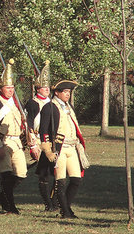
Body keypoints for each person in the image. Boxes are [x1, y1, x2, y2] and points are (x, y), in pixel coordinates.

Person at [39, 80, 89, 218]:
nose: (68, 95)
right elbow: (43, 130)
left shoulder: (69, 107)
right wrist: (47, 149)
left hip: (72, 146)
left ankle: (65, 207)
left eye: (69, 92)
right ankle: (65, 211)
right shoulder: (49, 107)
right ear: (57, 93)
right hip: (58, 147)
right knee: (60, 180)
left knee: (76, 179)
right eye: (65, 92)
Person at [0, 59, 32, 214]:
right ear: (1, 88)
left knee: (21, 173)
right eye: (8, 87)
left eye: (12, 87)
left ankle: (2, 196)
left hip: (16, 141)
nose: (10, 90)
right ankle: (9, 205)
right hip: (4, 141)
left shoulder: (15, 102)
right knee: (6, 174)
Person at [24, 60, 57, 212]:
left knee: (56, 172)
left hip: (53, 140)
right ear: (38, 88)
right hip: (38, 139)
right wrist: (33, 144)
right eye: (44, 87)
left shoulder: (52, 103)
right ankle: (48, 203)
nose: (46, 90)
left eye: (47, 87)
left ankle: (55, 201)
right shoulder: (33, 103)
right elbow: (29, 124)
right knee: (43, 174)